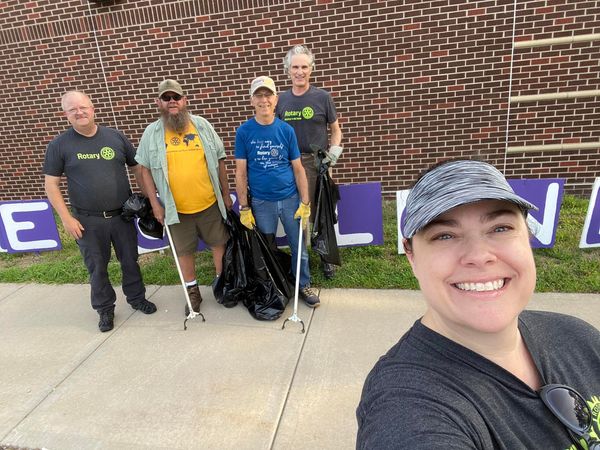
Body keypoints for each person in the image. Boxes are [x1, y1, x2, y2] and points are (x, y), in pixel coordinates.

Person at [356, 159, 600, 449]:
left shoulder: (578, 337)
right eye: (445, 235)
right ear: (412, 256)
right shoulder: (405, 405)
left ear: (528, 236)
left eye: (500, 228)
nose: (479, 255)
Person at [44, 91, 157, 333]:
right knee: (97, 266)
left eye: (83, 107)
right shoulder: (59, 145)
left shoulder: (115, 137)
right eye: (72, 110)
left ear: (93, 109)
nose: (79, 112)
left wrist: (149, 201)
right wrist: (66, 218)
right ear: (65, 115)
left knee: (130, 260)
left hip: (122, 216)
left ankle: (137, 298)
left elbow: (137, 169)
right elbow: (51, 184)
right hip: (87, 220)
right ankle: (105, 308)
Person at [135, 79, 232, 315]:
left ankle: (222, 285)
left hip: (209, 202)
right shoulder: (151, 133)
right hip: (175, 208)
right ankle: (192, 291)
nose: (172, 102)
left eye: (176, 97)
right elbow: (144, 169)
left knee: (219, 243)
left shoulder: (202, 126)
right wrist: (155, 204)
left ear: (184, 100)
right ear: (159, 102)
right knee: (183, 251)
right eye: (166, 98)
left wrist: (225, 194)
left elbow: (220, 160)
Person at [235, 76, 320, 307]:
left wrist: (305, 202)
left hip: (291, 199)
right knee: (267, 248)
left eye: (268, 95)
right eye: (259, 95)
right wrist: (244, 207)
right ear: (252, 100)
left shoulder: (286, 130)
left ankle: (303, 284)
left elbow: (298, 169)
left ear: (276, 99)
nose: (264, 100)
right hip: (262, 203)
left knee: (298, 246)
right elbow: (240, 173)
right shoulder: (244, 132)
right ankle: (274, 286)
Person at [276, 44, 343, 280]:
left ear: (311, 69)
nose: (300, 72)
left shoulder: (323, 97)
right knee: (297, 213)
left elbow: (336, 130)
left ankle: (325, 258)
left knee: (321, 212)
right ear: (288, 70)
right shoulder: (280, 100)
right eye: (295, 67)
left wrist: (332, 155)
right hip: (290, 165)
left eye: (304, 67)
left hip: (317, 163)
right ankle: (301, 258)